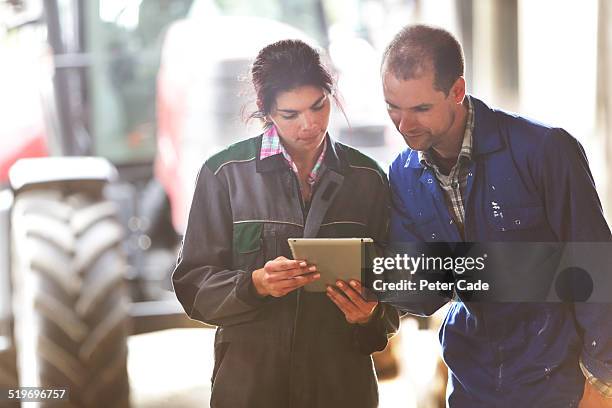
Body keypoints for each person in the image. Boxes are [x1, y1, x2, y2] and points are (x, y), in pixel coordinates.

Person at [382, 25, 612, 407]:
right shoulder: (403, 173)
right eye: (392, 107)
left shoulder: (544, 150)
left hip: (558, 377)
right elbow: (426, 290)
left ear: (457, 91)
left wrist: (602, 380)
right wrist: (376, 286)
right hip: (471, 377)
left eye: (421, 108)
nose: (404, 125)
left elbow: (598, 266)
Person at [172, 39, 399, 408]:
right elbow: (193, 285)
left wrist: (372, 315)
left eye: (318, 106)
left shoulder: (367, 179)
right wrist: (254, 284)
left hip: (341, 387)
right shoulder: (224, 175)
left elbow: (393, 284)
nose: (309, 124)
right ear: (267, 113)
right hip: (251, 389)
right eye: (291, 114)